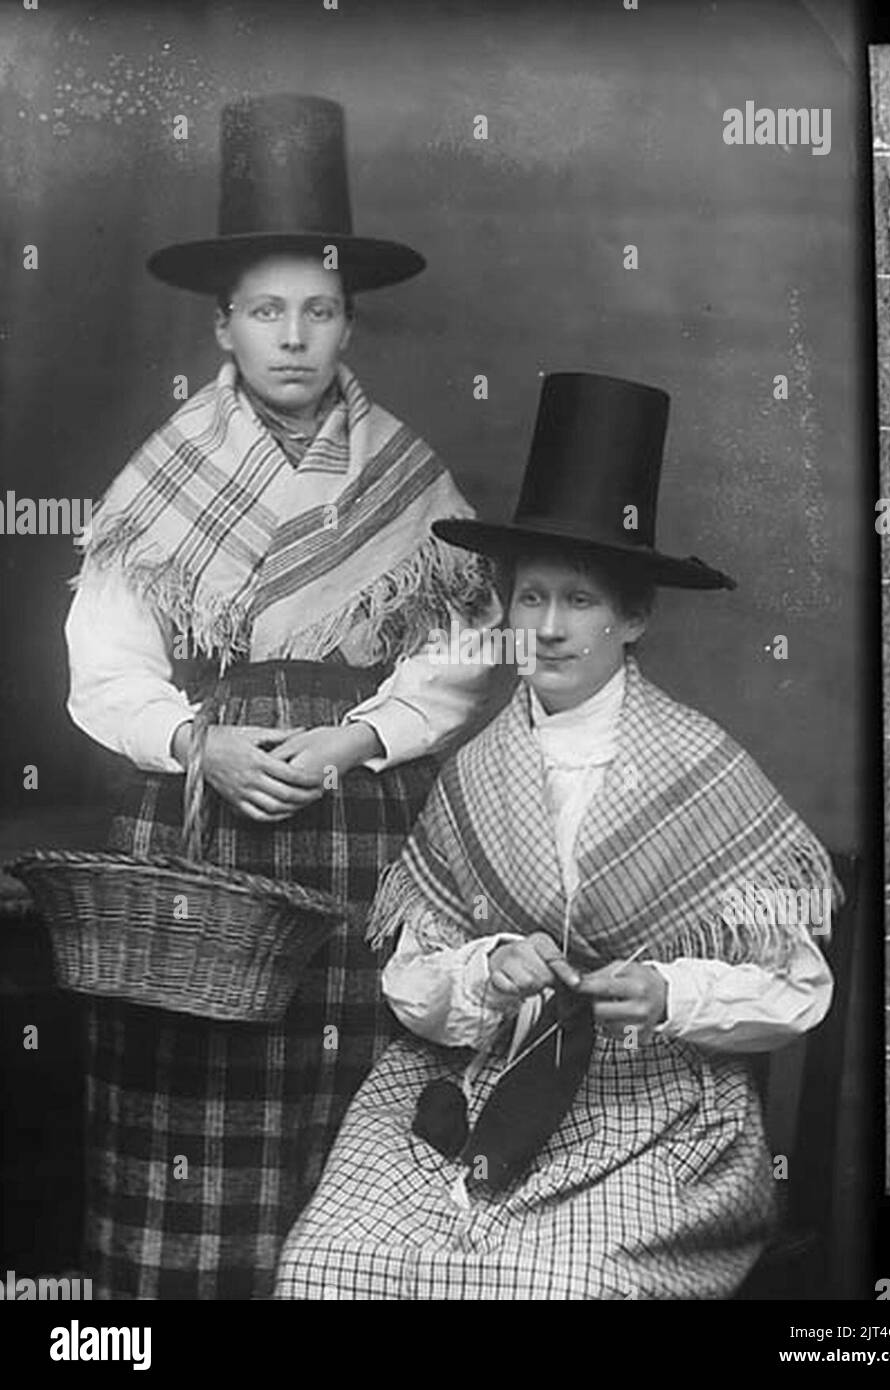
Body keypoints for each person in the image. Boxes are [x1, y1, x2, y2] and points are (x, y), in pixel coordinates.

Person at [64, 94, 499, 1300]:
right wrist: (198, 742)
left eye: (317, 310)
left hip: (358, 818)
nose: (293, 337)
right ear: (223, 326)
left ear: (349, 321)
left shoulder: (412, 476)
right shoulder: (162, 477)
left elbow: (459, 650)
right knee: (185, 1103)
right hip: (195, 817)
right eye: (266, 312)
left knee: (345, 1089)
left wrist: (357, 735)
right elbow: (102, 668)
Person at [274, 371, 836, 1301]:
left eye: (580, 601)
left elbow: (797, 987)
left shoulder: (704, 767)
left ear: (634, 617)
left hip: (653, 1113)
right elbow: (415, 982)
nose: (550, 627)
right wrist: (488, 972)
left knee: (547, 1287)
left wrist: (669, 991)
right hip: (485, 1089)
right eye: (531, 599)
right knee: (329, 1266)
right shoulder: (477, 773)